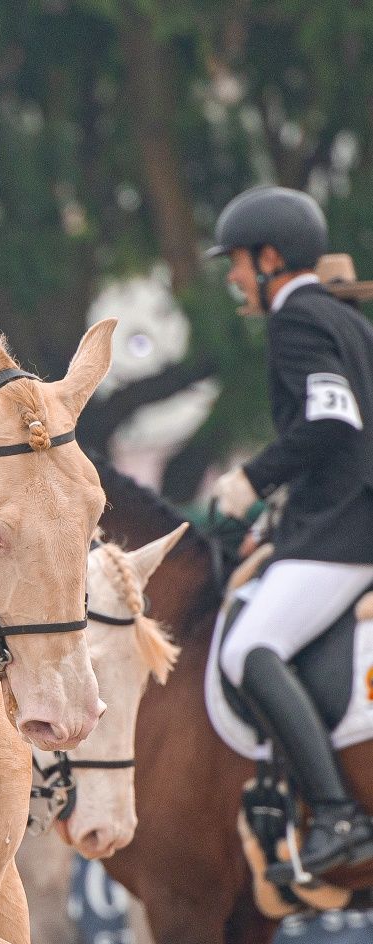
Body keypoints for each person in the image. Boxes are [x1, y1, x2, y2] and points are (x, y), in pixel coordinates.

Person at [208, 185, 373, 881]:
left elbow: (331, 423)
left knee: (248, 646)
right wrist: (274, 523)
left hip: (342, 532)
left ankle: (338, 814)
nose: (232, 277)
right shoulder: (346, 321)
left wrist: (251, 479)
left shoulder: (295, 319)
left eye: (238, 262)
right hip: (337, 516)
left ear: (270, 257)